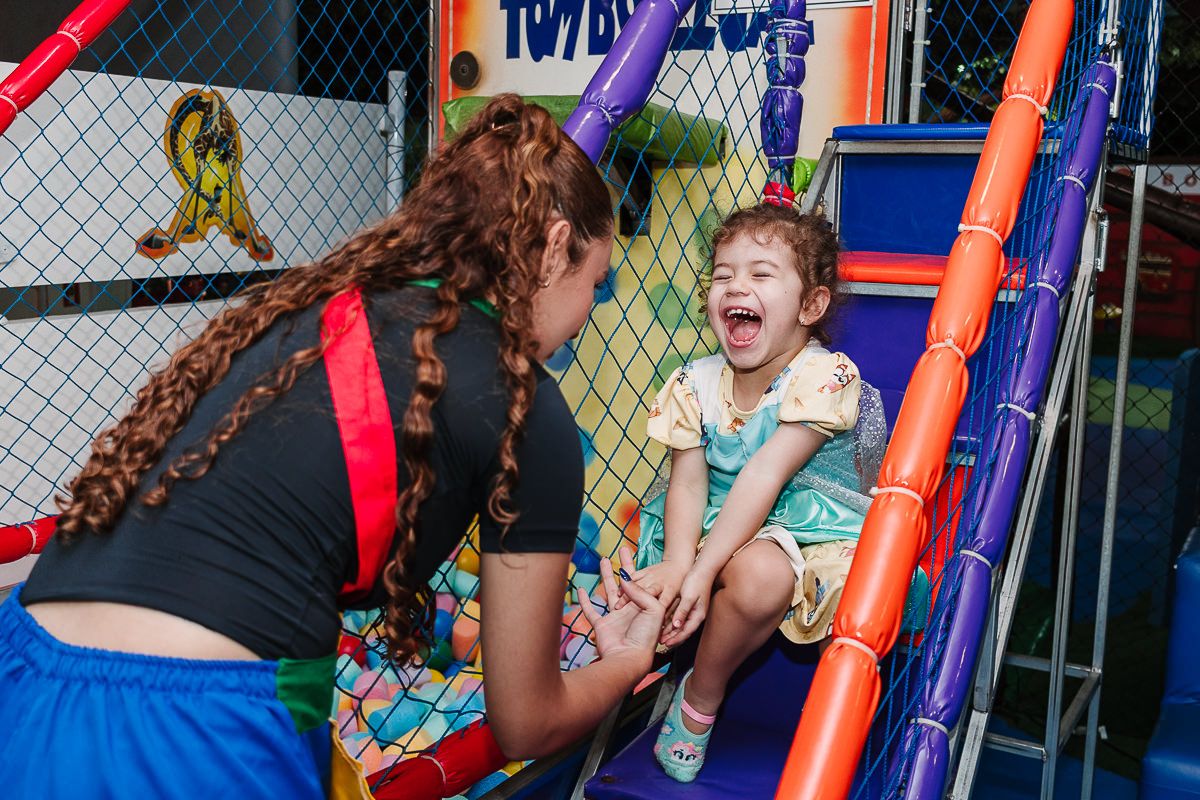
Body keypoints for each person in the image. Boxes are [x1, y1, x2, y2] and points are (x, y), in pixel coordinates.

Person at [0, 95, 665, 798]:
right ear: (556, 244)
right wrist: (626, 663)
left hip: (24, 665)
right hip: (198, 717)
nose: (589, 312)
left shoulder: (310, 310)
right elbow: (528, 721)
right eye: (595, 281)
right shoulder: (525, 403)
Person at [623, 203, 882, 783]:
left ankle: (701, 698)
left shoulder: (824, 376)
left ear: (810, 306)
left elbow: (766, 474)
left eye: (761, 274)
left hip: (808, 516)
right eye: (723, 275)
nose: (736, 284)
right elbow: (687, 480)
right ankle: (637, 678)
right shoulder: (694, 382)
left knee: (773, 579)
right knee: (653, 577)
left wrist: (701, 570)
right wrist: (677, 561)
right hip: (722, 514)